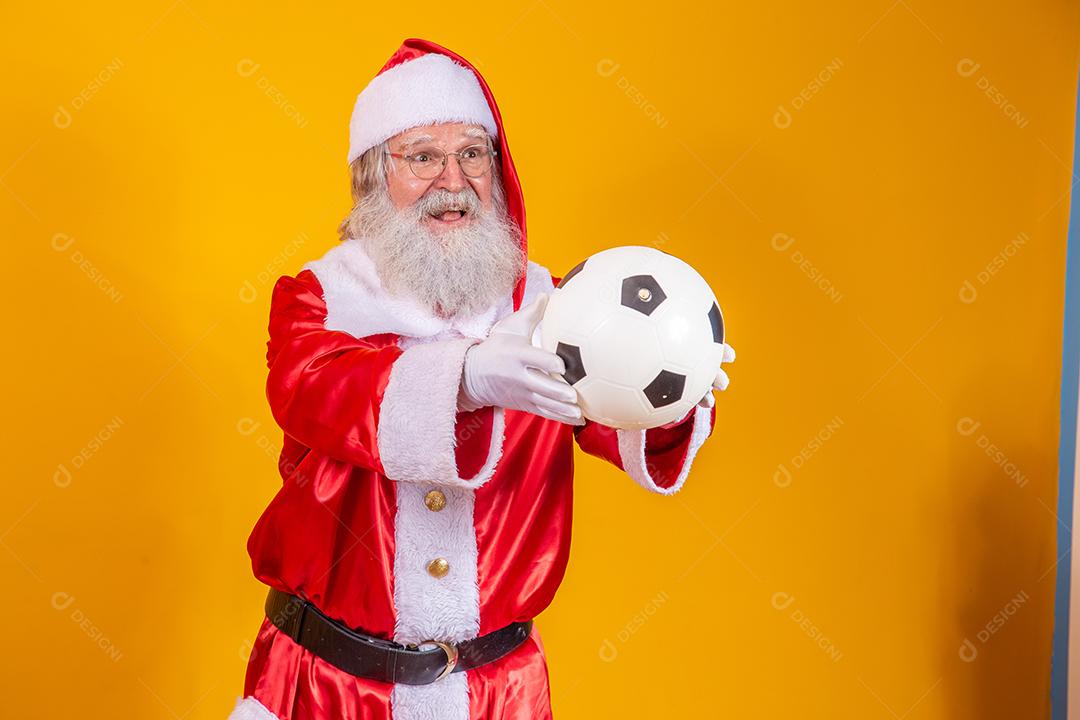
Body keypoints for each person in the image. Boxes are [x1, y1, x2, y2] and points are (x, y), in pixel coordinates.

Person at [229, 37, 736, 720]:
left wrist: (671, 387)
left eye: (473, 153)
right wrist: (466, 378)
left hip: (497, 694)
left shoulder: (557, 310)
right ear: (373, 177)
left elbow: (619, 427)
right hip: (330, 687)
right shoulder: (319, 299)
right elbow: (314, 392)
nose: (453, 178)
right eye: (423, 157)